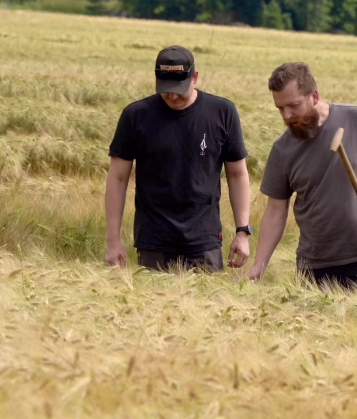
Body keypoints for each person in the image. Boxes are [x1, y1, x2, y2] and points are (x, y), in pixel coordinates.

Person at [246, 62, 357, 293]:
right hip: (314, 268)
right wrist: (259, 265)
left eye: (293, 105)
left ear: (314, 96)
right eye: (280, 108)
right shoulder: (282, 149)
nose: (287, 115)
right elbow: (275, 210)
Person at [105, 45, 252, 272]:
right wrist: (113, 241)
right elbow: (117, 178)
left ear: (195, 77)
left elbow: (237, 174)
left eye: (179, 88)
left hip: (205, 241)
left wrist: (242, 232)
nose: (173, 95)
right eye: (166, 88)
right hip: (153, 241)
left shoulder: (222, 112)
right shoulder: (135, 115)